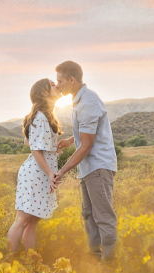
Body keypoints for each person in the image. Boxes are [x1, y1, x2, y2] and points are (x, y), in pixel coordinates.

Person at [54, 61, 118, 262]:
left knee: (102, 215)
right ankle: (94, 258)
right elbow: (86, 133)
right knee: (88, 213)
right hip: (88, 168)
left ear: (72, 80)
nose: (58, 85)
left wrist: (62, 171)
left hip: (97, 166)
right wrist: (71, 140)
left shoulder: (88, 102)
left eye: (60, 81)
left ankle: (109, 263)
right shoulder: (79, 101)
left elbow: (87, 146)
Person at [7, 78, 62, 255]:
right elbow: (34, 147)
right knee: (23, 219)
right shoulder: (40, 117)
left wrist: (53, 149)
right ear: (44, 92)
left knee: (33, 221)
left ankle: (30, 261)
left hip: (40, 171)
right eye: (53, 85)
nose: (57, 86)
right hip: (37, 172)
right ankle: (7, 261)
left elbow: (28, 140)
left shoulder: (45, 116)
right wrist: (49, 172)